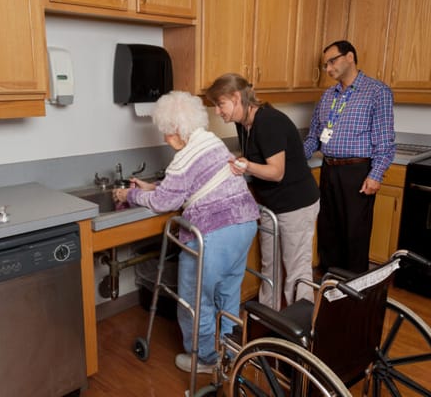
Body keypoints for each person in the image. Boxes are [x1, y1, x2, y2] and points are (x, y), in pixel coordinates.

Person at [113, 90, 259, 374]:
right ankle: (230, 354)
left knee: (195, 300)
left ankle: (204, 359)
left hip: (213, 235)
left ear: (179, 129)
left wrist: (129, 195)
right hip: (245, 224)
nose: (166, 139)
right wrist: (151, 186)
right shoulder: (211, 143)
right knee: (228, 292)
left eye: (167, 133)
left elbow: (163, 202)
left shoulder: (183, 160)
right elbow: (188, 185)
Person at [205, 73, 320, 309]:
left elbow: (276, 172)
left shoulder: (269, 121)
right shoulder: (243, 124)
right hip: (270, 206)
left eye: (220, 104)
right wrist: (242, 162)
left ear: (237, 98)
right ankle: (267, 321)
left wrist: (246, 165)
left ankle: (302, 329)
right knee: (270, 267)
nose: (217, 111)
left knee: (297, 270)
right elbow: (253, 157)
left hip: (296, 205)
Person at [304, 40, 395, 274]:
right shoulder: (327, 96)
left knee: (355, 233)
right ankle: (330, 284)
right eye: (325, 65)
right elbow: (314, 137)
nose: (328, 69)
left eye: (332, 61)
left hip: (357, 172)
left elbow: (385, 143)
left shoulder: (377, 91)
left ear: (350, 57)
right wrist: (292, 161)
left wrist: (375, 176)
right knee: (328, 230)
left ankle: (354, 291)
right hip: (329, 169)